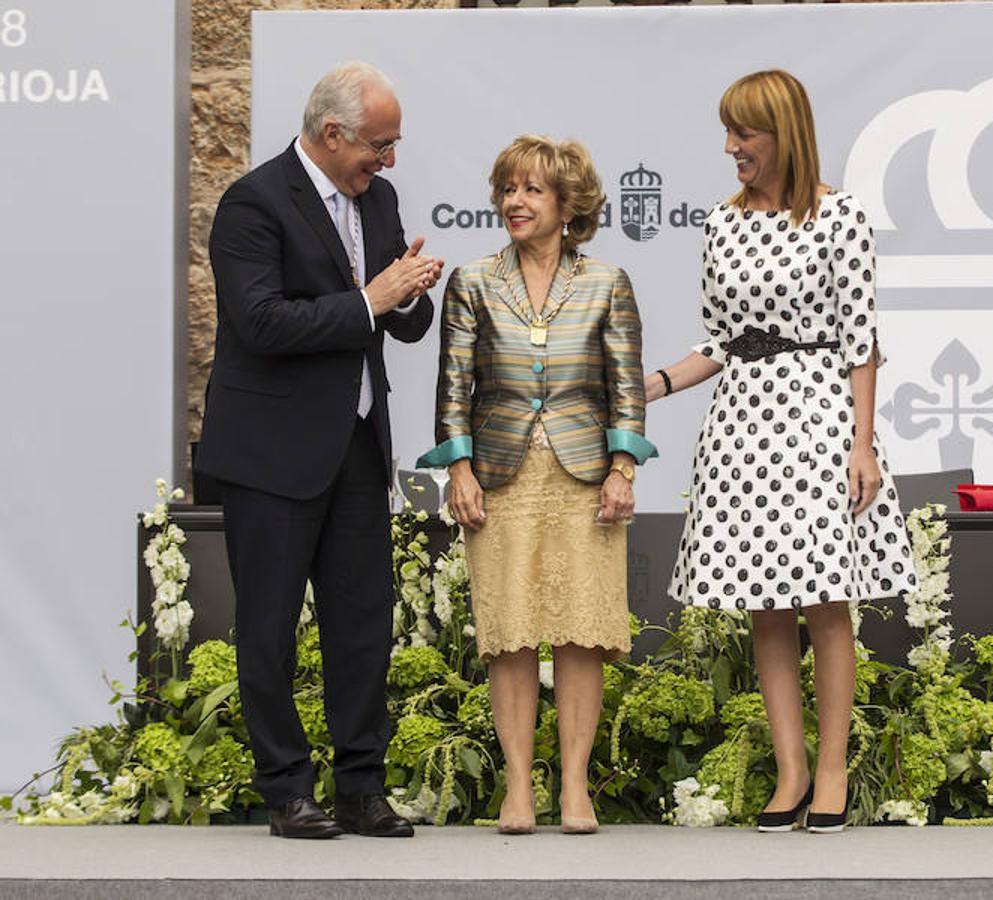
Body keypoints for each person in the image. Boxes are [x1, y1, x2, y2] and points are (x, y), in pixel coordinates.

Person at [646, 70, 916, 834]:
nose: (731, 147)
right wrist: (655, 384)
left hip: (820, 416)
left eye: (745, 134)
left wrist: (861, 445)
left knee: (828, 604)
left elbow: (862, 338)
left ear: (783, 134)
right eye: (727, 133)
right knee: (764, 606)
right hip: (741, 425)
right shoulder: (720, 224)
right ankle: (791, 770)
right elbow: (719, 342)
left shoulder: (841, 216)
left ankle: (832, 770)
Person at [196, 61, 442, 839]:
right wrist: (373, 297)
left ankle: (360, 790)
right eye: (380, 145)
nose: (389, 161)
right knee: (268, 628)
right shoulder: (252, 204)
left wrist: (412, 291)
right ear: (332, 134)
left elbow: (398, 320)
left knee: (362, 624)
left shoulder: (381, 198)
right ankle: (285, 790)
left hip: (358, 448)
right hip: (270, 455)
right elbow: (263, 324)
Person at [418, 135, 655, 835]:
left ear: (567, 203)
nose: (515, 202)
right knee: (511, 635)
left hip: (586, 479)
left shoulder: (608, 281)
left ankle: (576, 789)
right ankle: (518, 789)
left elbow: (626, 389)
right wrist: (457, 469)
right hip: (499, 478)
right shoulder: (472, 281)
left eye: (532, 190)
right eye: (508, 189)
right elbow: (454, 386)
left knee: (582, 636)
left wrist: (623, 467)